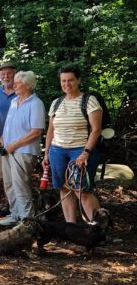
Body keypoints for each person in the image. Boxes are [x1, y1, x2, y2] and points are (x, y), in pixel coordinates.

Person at [43, 66, 103, 223]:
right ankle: (71, 227)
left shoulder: (89, 100)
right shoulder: (56, 103)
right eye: (63, 81)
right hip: (57, 151)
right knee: (64, 188)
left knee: (81, 190)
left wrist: (86, 153)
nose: (66, 84)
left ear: (78, 80)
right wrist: (46, 153)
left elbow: (96, 130)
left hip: (80, 150)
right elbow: (51, 130)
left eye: (70, 80)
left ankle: (98, 226)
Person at [0, 71, 45, 226]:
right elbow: (9, 124)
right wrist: (2, 139)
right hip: (8, 149)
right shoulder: (14, 101)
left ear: (28, 85)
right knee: (9, 183)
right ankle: (15, 214)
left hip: (24, 151)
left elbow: (36, 131)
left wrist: (14, 145)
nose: (14, 85)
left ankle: (27, 220)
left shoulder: (36, 103)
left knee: (20, 184)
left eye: (18, 83)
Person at [0, 62, 17, 182]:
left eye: (9, 74)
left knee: (18, 175)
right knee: (3, 175)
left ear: (15, 75)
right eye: (3, 74)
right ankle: (7, 195)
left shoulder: (22, 91)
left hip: (18, 141)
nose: (6, 77)